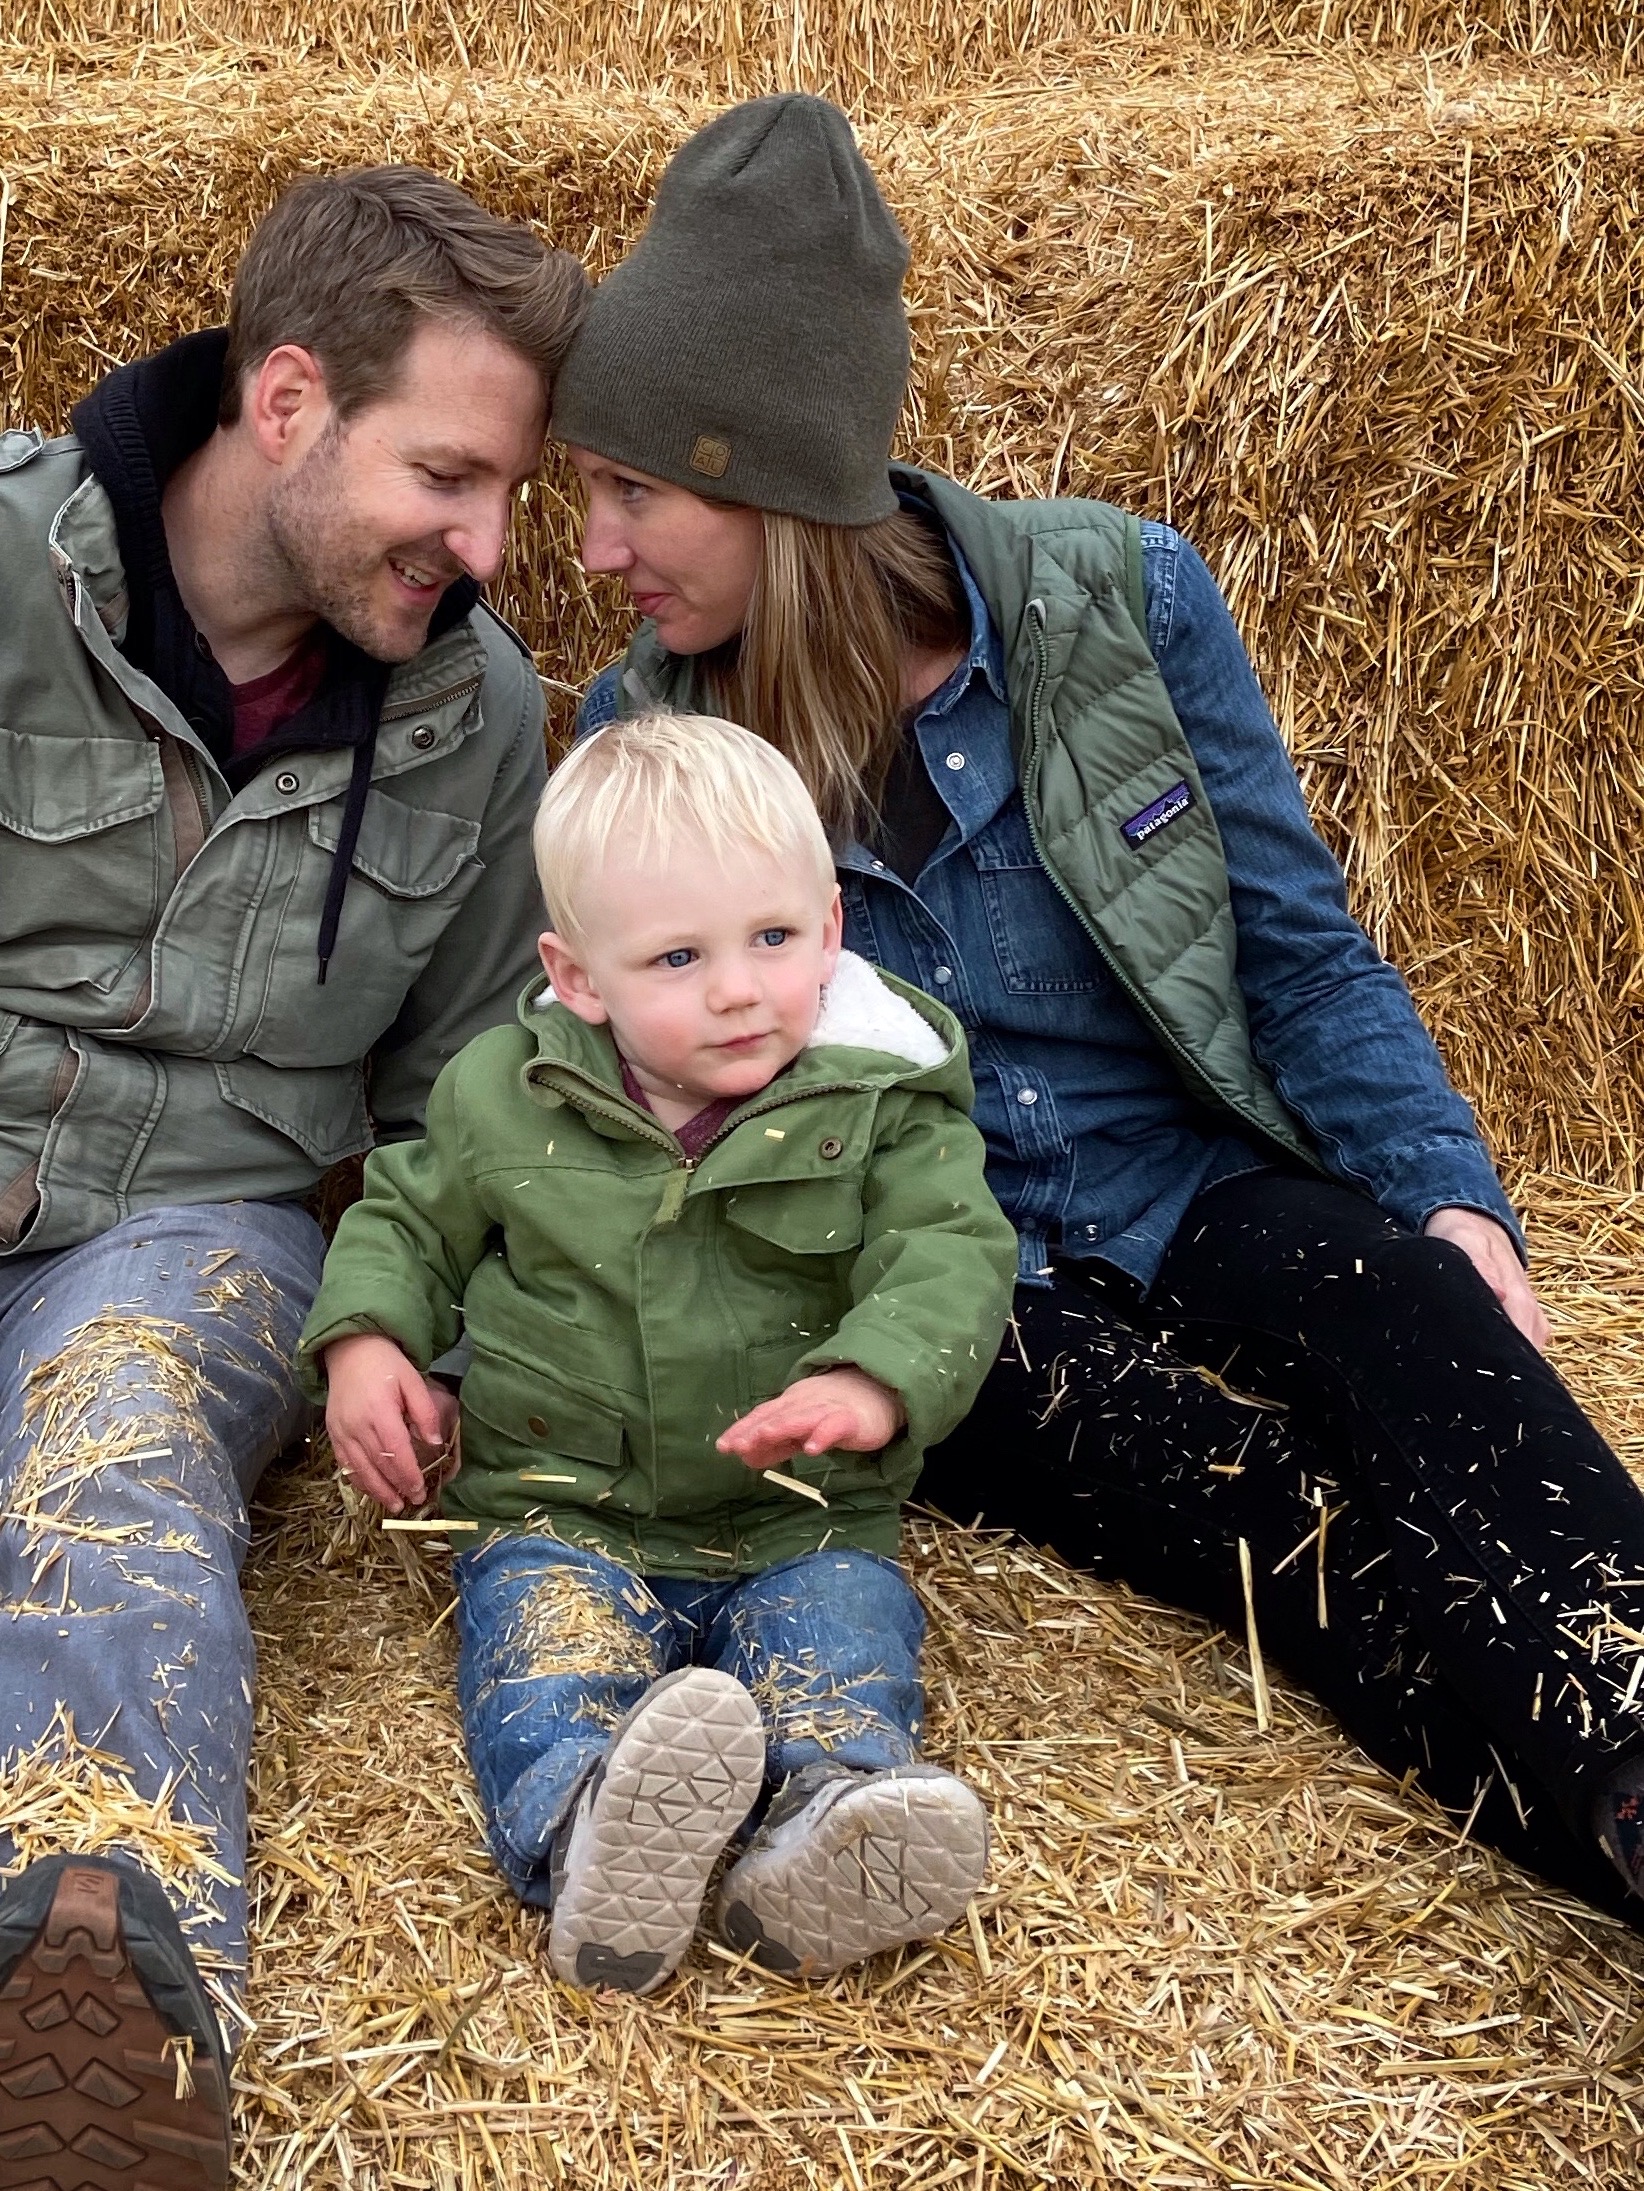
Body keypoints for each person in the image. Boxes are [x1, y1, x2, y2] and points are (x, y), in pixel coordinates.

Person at [549, 92, 1644, 1938]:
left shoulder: (1110, 601)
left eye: (629, 490)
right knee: (1267, 1525)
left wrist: (1447, 1198)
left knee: (1403, 1318)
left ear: (771, 476)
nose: (590, 550)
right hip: (953, 1277)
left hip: (1183, 1176)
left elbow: (1294, 953)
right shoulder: (639, 754)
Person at [0, 167, 586, 2184]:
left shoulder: (476, 715)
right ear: (285, 407)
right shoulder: (8, 567)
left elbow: (459, 1107)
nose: (489, 544)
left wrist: (419, 1324)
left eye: (509, 489)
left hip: (194, 1224)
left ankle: (97, 1968)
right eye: (448, 473)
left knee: (120, 1438)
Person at [298, 712, 1017, 1994]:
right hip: (562, 1502)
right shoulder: (502, 1092)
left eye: (775, 939)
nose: (741, 988)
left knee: (839, 1652)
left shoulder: (882, 1102)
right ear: (580, 981)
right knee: (543, 1658)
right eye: (681, 956)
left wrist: (872, 1377)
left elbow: (950, 1253)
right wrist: (365, 1340)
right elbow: (404, 1218)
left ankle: (821, 1833)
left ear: (833, 930)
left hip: (795, 1517)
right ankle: (590, 1829)